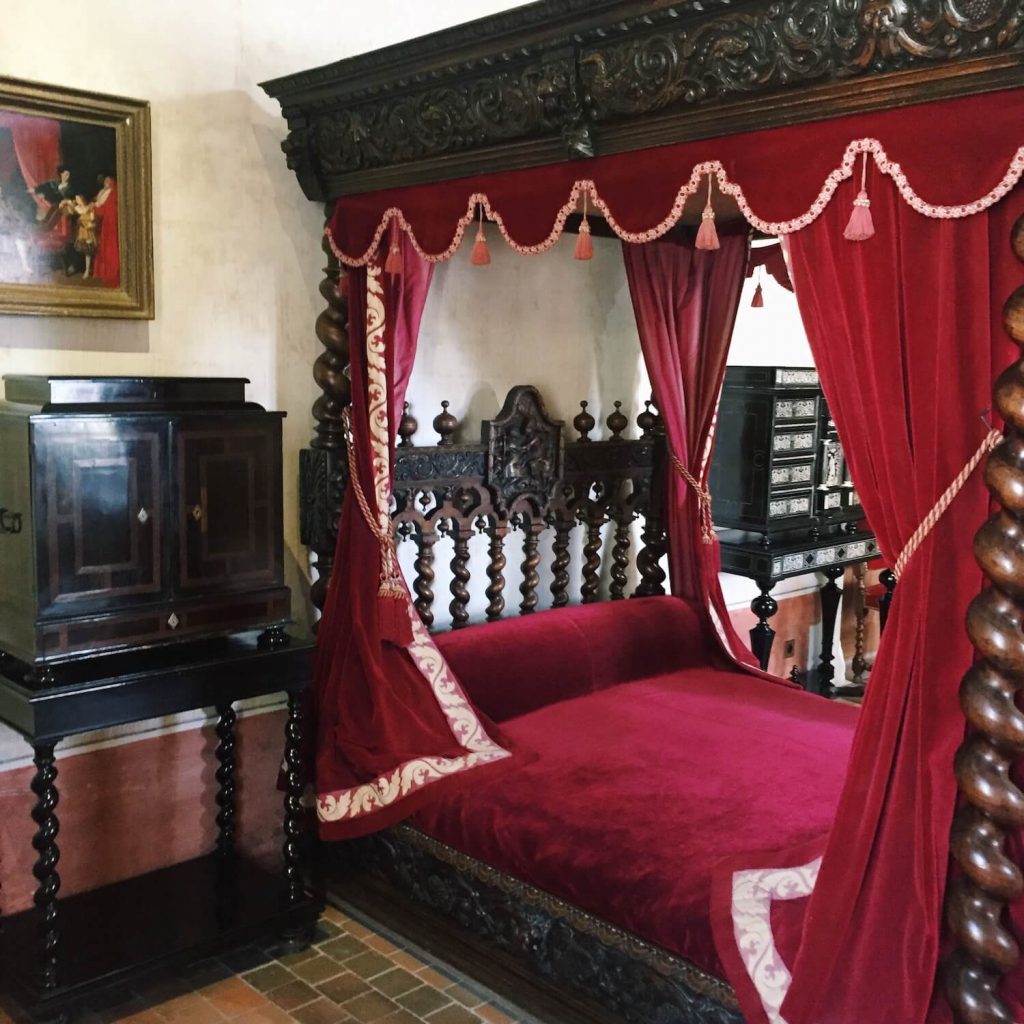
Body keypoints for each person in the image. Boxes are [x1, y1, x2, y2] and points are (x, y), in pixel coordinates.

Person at [62, 195, 98, 279]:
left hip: (89, 233)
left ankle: (88, 270)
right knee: (81, 250)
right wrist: (67, 203)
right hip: (81, 233)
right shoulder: (78, 208)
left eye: (78, 199)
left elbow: (94, 223)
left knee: (88, 252)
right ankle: (82, 268)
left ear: (83, 199)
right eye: (76, 199)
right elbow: (71, 210)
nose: (77, 200)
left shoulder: (90, 208)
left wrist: (90, 226)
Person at [92, 173, 119, 287]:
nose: (107, 182)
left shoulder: (113, 192)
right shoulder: (104, 191)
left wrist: (93, 208)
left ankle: (111, 274)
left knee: (110, 248)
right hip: (105, 223)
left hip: (110, 224)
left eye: (109, 180)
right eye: (105, 180)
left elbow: (105, 208)